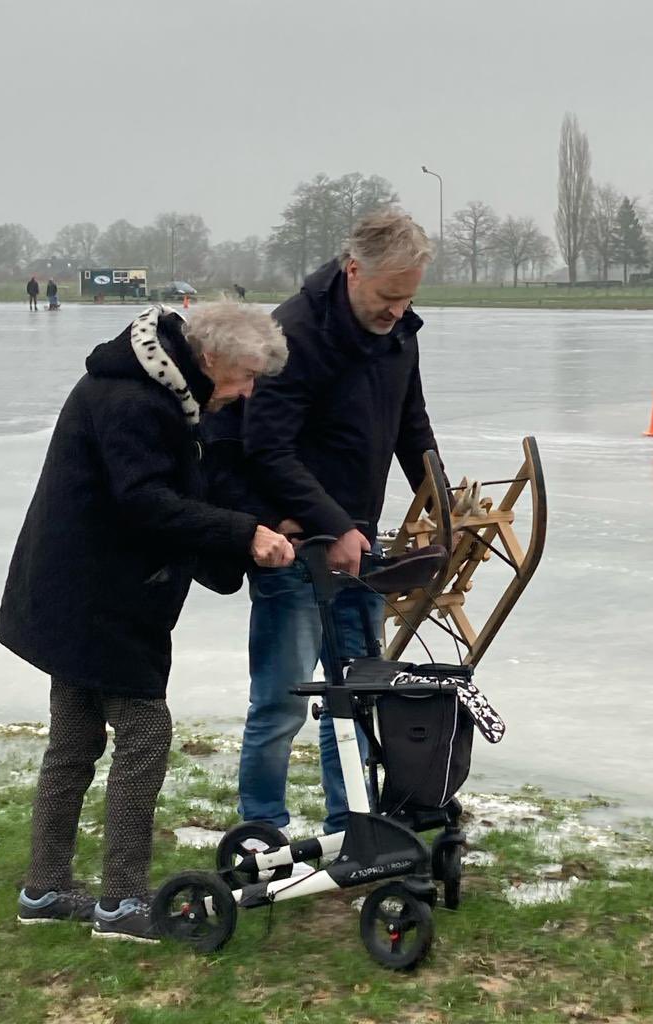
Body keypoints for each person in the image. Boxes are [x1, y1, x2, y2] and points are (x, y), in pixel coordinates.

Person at [0, 301, 294, 942]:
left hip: (75, 592)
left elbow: (185, 490)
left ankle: (44, 890)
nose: (247, 393)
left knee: (73, 743)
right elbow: (146, 502)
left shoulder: (162, 391)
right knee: (145, 737)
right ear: (209, 359)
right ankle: (123, 903)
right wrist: (244, 534)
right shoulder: (133, 400)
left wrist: (251, 528)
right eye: (244, 377)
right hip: (96, 598)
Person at [235, 209, 442, 834]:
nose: (397, 311)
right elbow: (266, 448)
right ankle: (262, 829)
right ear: (354, 270)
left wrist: (437, 495)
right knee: (281, 700)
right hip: (294, 544)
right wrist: (332, 525)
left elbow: (412, 422)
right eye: (388, 297)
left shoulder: (399, 333)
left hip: (360, 544)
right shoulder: (293, 335)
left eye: (408, 299)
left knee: (354, 696)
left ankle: (349, 825)